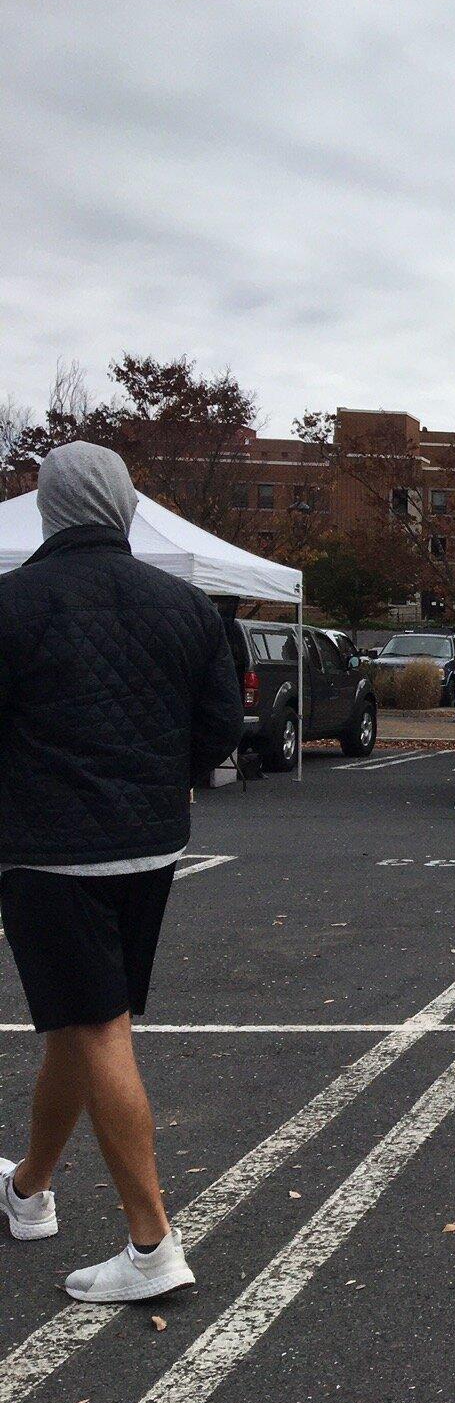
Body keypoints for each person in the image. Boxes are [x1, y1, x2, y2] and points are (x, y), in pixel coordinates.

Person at [0, 443, 242, 1304]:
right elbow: (218, 730)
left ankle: (151, 1245)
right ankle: (28, 1189)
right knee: (82, 1015)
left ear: (47, 507)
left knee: (97, 1026)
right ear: (127, 505)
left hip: (46, 851)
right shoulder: (187, 606)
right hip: (151, 844)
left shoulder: (14, 603)